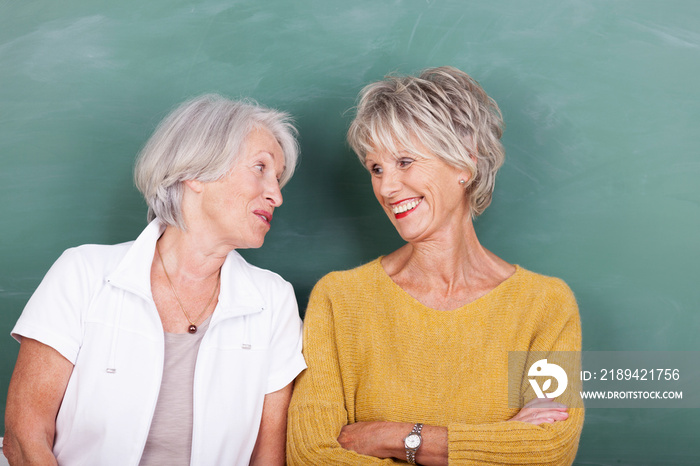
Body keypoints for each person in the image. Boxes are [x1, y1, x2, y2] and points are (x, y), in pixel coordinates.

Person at [287, 67, 583, 465]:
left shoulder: (545, 305)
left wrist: (394, 437)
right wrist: (491, 446)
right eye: (376, 168)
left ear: (464, 165)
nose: (386, 187)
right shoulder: (340, 300)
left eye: (404, 161)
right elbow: (312, 455)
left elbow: (550, 449)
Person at [4, 94, 306, 466]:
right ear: (195, 171)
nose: (275, 195)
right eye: (260, 168)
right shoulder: (82, 273)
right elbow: (24, 434)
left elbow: (268, 456)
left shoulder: (273, 301)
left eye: (278, 179)